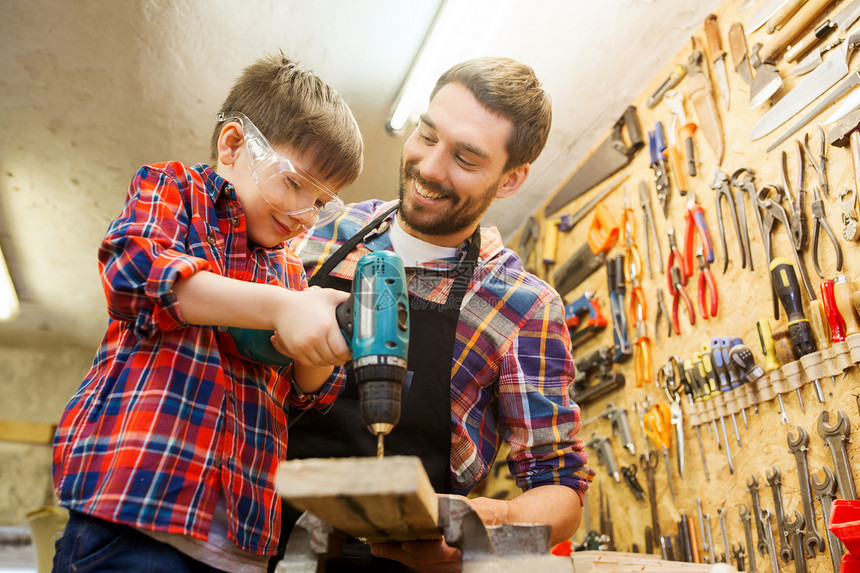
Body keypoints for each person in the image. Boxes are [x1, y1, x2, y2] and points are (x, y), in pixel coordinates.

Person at [51, 53, 364, 573]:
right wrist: (285, 307)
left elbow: (311, 389)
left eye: (319, 203)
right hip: (136, 516)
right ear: (234, 144)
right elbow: (137, 273)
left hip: (240, 548)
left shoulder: (288, 274)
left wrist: (325, 340)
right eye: (292, 184)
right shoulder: (174, 190)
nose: (301, 215)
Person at [284, 56, 594, 572]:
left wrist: (487, 534)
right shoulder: (317, 230)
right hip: (251, 543)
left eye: (466, 159)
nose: (429, 168)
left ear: (511, 179)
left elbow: (560, 488)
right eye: (427, 136)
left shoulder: (523, 306)